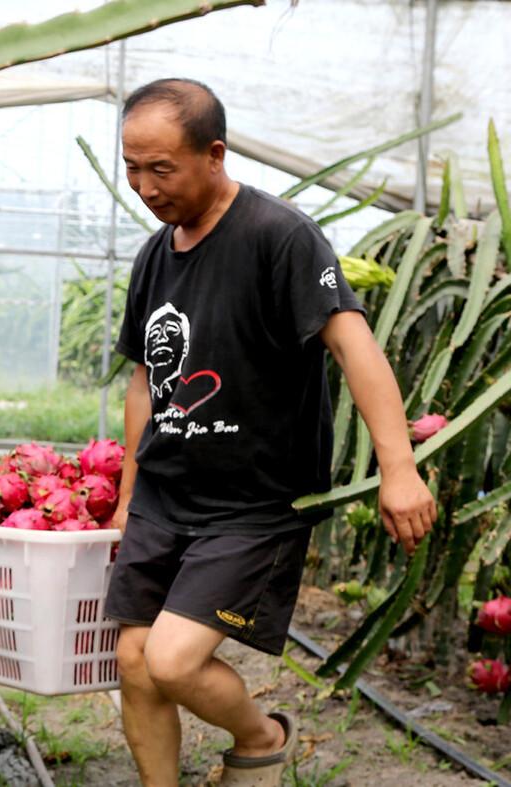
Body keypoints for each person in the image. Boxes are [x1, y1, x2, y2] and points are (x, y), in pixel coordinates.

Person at [103, 79, 436, 787]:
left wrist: (398, 466)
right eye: (132, 166)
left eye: (161, 168)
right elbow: (143, 383)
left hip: (253, 503)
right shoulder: (154, 255)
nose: (144, 185)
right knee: (134, 662)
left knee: (172, 658)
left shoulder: (277, 235)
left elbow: (355, 346)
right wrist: (130, 491)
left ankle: (260, 737)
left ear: (214, 153)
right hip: (165, 494)